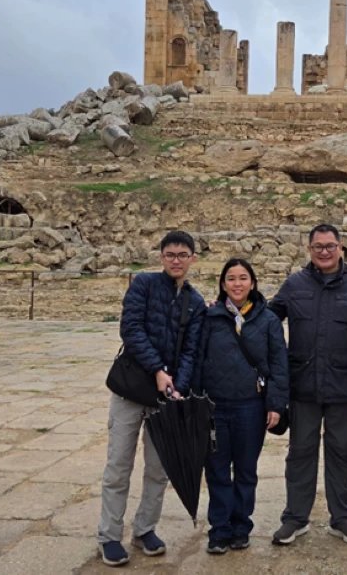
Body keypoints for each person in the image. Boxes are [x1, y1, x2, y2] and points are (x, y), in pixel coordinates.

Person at [97, 231, 206, 567]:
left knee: (159, 469)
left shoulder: (196, 301)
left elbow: (191, 350)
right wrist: (158, 369)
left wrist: (177, 385)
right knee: (119, 464)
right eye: (170, 254)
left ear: (192, 259)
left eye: (182, 254)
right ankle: (110, 535)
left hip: (166, 397)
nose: (176, 260)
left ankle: (145, 529)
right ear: (161, 257)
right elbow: (131, 329)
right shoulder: (143, 285)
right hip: (132, 390)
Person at [269, 224, 347, 546]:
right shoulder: (294, 284)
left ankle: (341, 518)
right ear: (309, 249)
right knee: (300, 452)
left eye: (330, 246)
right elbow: (268, 319)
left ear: (341, 247)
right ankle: (295, 518)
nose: (324, 252)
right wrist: (227, 311)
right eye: (318, 247)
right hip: (303, 387)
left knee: (342, 453)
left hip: (343, 387)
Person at [192, 258, 289, 555]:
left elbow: (278, 364)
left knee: (246, 470)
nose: (237, 284)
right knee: (218, 470)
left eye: (243, 278)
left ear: (253, 283)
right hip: (215, 407)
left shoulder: (268, 320)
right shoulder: (210, 317)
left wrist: (275, 404)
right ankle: (219, 530)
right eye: (231, 278)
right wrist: (195, 401)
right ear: (222, 284)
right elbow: (197, 359)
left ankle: (240, 527)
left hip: (251, 406)